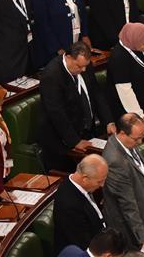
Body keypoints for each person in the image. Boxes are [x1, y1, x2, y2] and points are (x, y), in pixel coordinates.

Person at [38, 42, 114, 172]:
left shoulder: (84, 65)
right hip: (62, 141)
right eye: (79, 66)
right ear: (68, 57)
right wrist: (74, 141)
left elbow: (96, 93)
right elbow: (57, 113)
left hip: (86, 131)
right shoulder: (52, 75)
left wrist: (108, 121)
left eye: (85, 66)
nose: (83, 70)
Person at [102, 113, 144, 253]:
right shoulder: (115, 161)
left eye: (142, 136)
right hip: (131, 232)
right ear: (122, 133)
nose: (140, 142)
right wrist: (143, 238)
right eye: (137, 138)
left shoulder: (129, 143)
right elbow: (127, 204)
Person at [32, 0, 89, 71]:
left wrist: (85, 34)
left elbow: (82, 10)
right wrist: (57, 49)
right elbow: (43, 26)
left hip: (76, 42)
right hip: (56, 48)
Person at [107, 23, 144, 119]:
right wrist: (140, 116)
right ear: (133, 40)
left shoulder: (138, 45)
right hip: (128, 112)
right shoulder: (118, 57)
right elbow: (125, 91)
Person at [54, 154, 109, 252]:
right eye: (99, 181)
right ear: (85, 178)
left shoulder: (82, 187)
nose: (102, 185)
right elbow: (85, 246)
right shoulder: (69, 205)